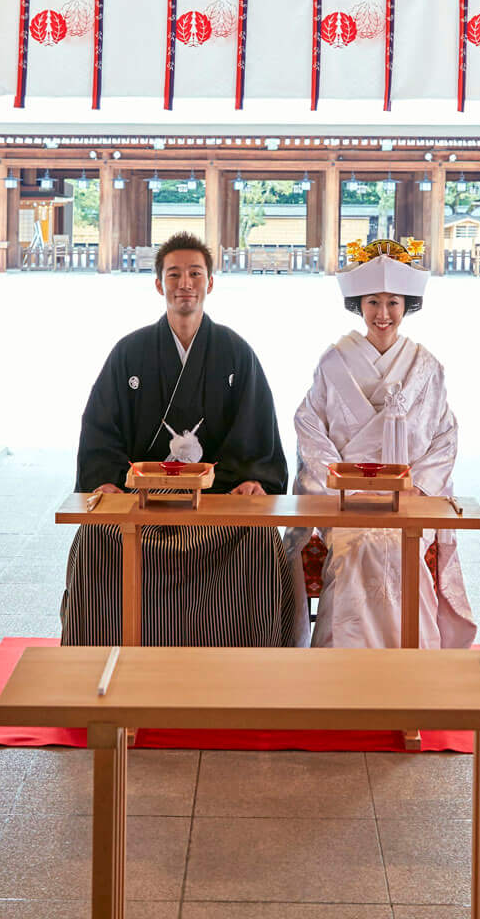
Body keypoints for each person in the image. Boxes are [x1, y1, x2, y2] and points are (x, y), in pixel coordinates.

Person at [60, 232, 300, 647]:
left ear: (210, 282)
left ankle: (246, 664)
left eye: (195, 273)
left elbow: (256, 425)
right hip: (141, 500)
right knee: (94, 536)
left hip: (217, 502)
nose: (184, 283)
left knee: (259, 537)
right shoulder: (129, 352)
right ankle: (100, 663)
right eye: (174, 274)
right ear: (159, 284)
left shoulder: (235, 352)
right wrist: (107, 479)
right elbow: (101, 426)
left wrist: (253, 478)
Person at [290, 239, 475, 648]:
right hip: (345, 499)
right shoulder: (334, 362)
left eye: (393, 302)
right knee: (358, 546)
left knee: (400, 544)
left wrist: (414, 487)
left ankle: (414, 660)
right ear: (359, 304)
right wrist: (341, 483)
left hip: (408, 498)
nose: (383, 314)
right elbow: (308, 425)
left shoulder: (427, 366)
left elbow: (445, 435)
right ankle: (343, 666)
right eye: (373, 302)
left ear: (406, 304)